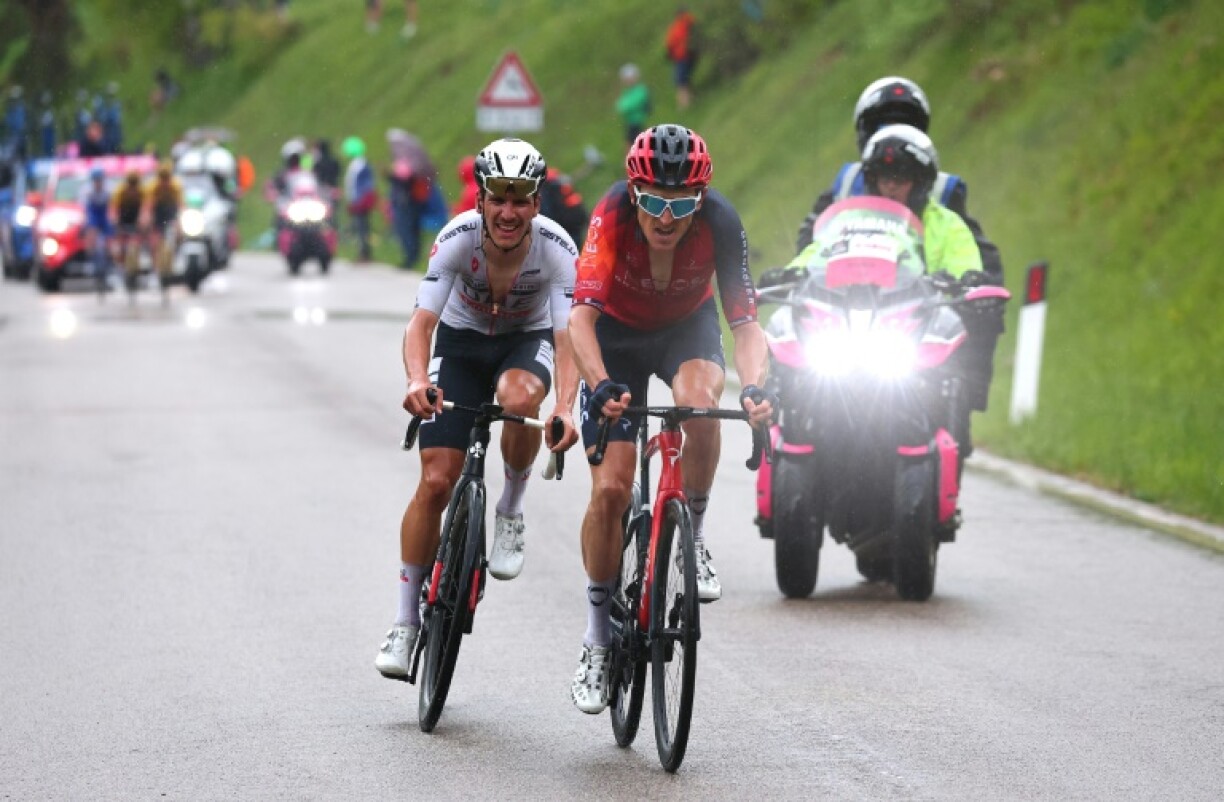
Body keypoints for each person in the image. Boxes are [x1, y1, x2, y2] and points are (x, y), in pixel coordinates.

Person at [566, 124, 773, 713]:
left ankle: (695, 535)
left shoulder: (721, 223)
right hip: (616, 337)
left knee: (702, 403)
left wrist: (756, 386)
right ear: (634, 193)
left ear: (700, 200)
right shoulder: (610, 213)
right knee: (609, 491)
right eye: (653, 201)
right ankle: (598, 639)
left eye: (680, 205)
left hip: (686, 326)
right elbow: (579, 321)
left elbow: (746, 326)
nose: (665, 217)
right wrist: (600, 381)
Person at [374, 138, 580, 679]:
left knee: (519, 397)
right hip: (461, 346)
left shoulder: (557, 248)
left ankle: (510, 509)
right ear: (481, 199)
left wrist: (565, 405)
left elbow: (567, 340)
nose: (509, 211)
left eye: (521, 198)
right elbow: (421, 325)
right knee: (437, 480)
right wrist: (418, 379)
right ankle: (403, 622)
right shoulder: (455, 239)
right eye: (498, 198)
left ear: (537, 202)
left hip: (523, 342)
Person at [792, 75, 1004, 415]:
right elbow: (812, 245)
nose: (892, 183)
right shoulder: (844, 185)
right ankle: (784, 410)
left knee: (980, 318)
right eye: (882, 127)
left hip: (912, 319)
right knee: (789, 343)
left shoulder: (945, 202)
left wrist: (970, 287)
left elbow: (975, 260)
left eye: (903, 175)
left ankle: (960, 402)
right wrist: (795, 276)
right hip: (842, 314)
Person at [144, 160, 184, 287]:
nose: (165, 182)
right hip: (158, 213)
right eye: (162, 178)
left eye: (167, 178)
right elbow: (148, 206)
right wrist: (146, 218)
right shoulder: (153, 187)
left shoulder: (175, 186)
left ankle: (175, 257)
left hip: (170, 211)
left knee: (179, 232)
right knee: (155, 241)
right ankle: (155, 268)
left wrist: (181, 222)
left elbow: (181, 205)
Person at [342, 136, 377, 262]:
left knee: (362, 227)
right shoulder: (356, 164)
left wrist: (358, 200)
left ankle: (364, 253)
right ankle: (362, 252)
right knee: (359, 227)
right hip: (357, 201)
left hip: (360, 202)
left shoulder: (361, 165)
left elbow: (364, 185)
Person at [664, 6, 698, 110]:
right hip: (690, 54)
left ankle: (684, 104)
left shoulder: (677, 27)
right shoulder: (689, 23)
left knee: (680, 81)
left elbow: (670, 43)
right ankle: (690, 100)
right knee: (685, 79)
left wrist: (669, 53)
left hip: (681, 56)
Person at [615, 63, 652, 145]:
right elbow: (620, 106)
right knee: (628, 142)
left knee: (639, 143)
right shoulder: (626, 92)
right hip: (629, 122)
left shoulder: (640, 90)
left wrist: (627, 106)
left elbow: (630, 105)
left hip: (638, 121)